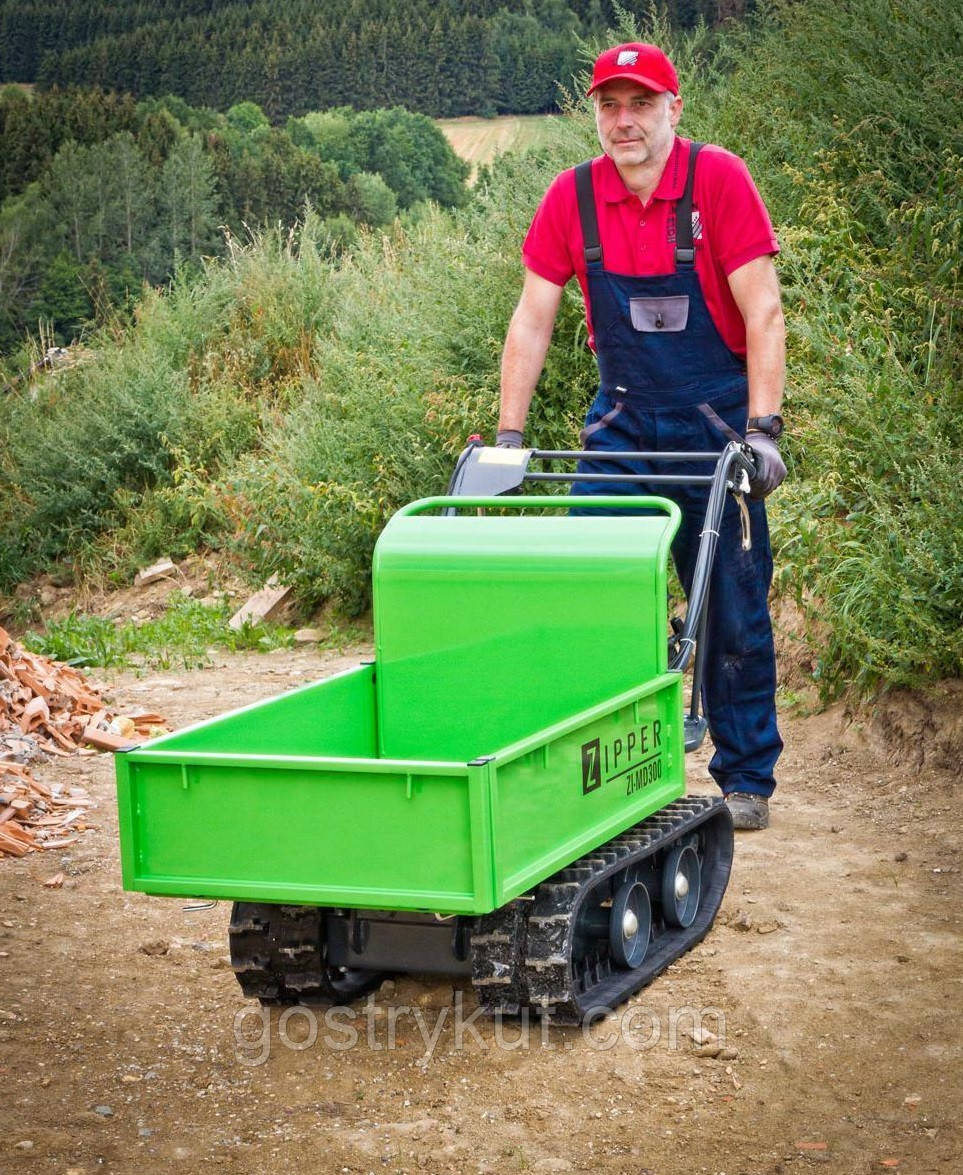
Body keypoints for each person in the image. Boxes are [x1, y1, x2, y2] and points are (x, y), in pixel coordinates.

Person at [496, 42, 786, 830]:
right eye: (609, 106)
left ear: (673, 109)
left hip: (713, 420)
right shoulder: (572, 198)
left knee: (728, 598)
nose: (624, 122)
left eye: (641, 105)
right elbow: (531, 318)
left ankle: (745, 772)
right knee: (589, 586)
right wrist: (508, 436)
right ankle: (601, 768)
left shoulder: (716, 181)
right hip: (622, 421)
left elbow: (761, 310)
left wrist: (763, 431)